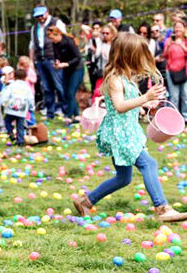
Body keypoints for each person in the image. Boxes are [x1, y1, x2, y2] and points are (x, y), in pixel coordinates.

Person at [73, 32, 187, 222]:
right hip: (120, 133)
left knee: (123, 178)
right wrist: (145, 98)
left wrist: (144, 106)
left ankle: (86, 201)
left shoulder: (127, 77)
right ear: (128, 56)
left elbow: (128, 103)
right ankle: (162, 208)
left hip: (128, 131)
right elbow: (119, 106)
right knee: (149, 164)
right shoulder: (115, 78)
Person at [30, 6, 66, 120]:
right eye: (37, 16)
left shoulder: (56, 22)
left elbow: (64, 39)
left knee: (59, 86)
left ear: (47, 13)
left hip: (54, 58)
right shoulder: (34, 27)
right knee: (46, 87)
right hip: (40, 59)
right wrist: (32, 61)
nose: (40, 18)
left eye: (42, 15)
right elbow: (32, 45)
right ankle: (50, 111)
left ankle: (64, 110)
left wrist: (62, 57)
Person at [48, 25, 83, 122]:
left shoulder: (69, 42)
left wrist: (67, 64)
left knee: (71, 92)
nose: (52, 40)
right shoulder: (55, 44)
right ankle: (77, 115)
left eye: (53, 38)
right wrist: (57, 62)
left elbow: (78, 57)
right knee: (67, 92)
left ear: (58, 35)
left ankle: (68, 115)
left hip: (76, 68)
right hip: (65, 69)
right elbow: (56, 56)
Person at [0, 68, 35, 146]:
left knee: (7, 121)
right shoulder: (27, 87)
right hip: (22, 110)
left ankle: (10, 132)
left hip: (11, 109)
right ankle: (20, 141)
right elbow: (30, 98)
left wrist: (2, 102)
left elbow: (5, 94)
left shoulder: (11, 86)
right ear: (25, 77)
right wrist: (31, 107)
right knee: (20, 126)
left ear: (14, 76)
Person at [162, 18, 187, 121]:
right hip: (171, 71)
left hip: (184, 71)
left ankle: (185, 118)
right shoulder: (169, 40)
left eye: (180, 27)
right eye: (176, 27)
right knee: (174, 97)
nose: (178, 29)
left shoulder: (185, 40)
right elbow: (165, 55)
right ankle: (174, 119)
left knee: (185, 95)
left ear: (184, 28)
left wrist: (181, 45)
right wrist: (168, 46)